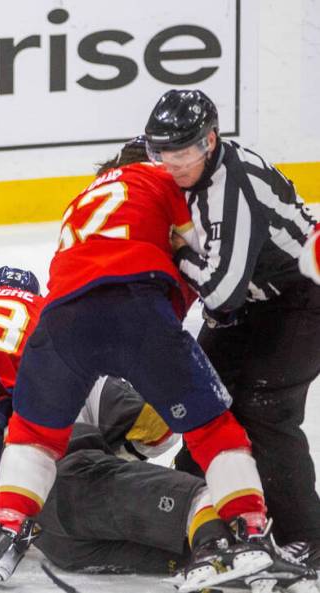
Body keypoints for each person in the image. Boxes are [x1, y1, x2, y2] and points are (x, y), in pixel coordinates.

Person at [0, 266, 316, 592]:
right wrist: (121, 448)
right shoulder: (56, 324)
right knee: (158, 491)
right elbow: (152, 427)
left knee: (38, 528)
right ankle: (222, 544)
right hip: (2, 443)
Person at [0, 138, 285, 593]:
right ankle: (248, 533)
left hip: (59, 321)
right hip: (135, 307)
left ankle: (7, 536)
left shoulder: (84, 200)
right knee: (213, 428)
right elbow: (207, 260)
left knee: (31, 437)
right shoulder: (166, 183)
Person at [144, 89, 320, 561]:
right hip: (255, 300)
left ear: (210, 140)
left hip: (304, 296)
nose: (174, 164)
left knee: (264, 406)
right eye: (163, 153)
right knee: (203, 399)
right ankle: (199, 514)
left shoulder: (231, 188)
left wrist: (177, 251)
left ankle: (309, 536)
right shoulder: (189, 173)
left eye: (185, 151)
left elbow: (222, 293)